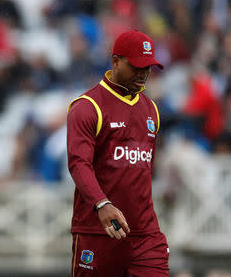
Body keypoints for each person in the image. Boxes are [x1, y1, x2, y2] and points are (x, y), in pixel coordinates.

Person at [67, 30, 169, 276]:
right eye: (137, 67)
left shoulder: (151, 110)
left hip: (145, 235)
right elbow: (78, 164)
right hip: (98, 231)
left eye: (149, 67)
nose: (144, 74)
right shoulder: (87, 107)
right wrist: (102, 204)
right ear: (115, 61)